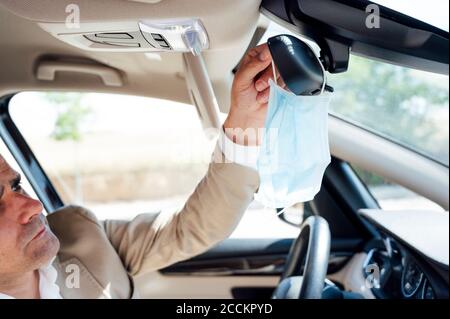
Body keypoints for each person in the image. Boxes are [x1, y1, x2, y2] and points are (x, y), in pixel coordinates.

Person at [0, 44, 279, 299]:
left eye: (16, 186)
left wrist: (245, 122)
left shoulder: (80, 236)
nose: (34, 206)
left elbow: (191, 228)